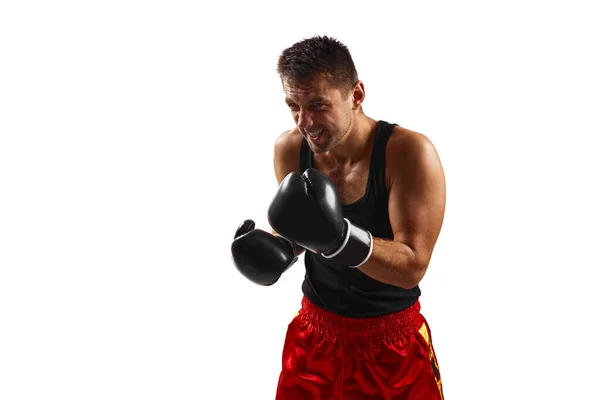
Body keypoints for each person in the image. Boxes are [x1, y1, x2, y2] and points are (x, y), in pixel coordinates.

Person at [231, 35, 446, 399]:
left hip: (392, 347)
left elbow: (412, 266)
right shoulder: (290, 149)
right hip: (314, 339)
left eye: (317, 104)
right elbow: (307, 229)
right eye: (293, 106)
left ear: (356, 95)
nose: (305, 122)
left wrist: (340, 239)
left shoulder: (408, 154)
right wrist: (277, 247)